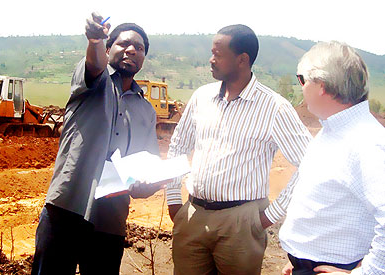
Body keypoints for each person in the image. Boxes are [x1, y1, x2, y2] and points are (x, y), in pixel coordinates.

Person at [166, 24, 312, 274]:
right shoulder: (202, 97)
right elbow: (178, 145)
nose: (211, 60)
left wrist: (270, 215)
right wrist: (172, 199)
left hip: (241, 224)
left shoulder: (274, 107)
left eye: (218, 54)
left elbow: (310, 164)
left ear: (242, 59)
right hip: (193, 215)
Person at [31, 12, 165, 275]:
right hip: (68, 207)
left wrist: (148, 184)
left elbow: (148, 164)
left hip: (111, 219)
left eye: (139, 48)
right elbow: (94, 64)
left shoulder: (146, 111)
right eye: (123, 43)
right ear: (107, 48)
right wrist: (93, 40)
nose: (131, 50)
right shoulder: (93, 82)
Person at [279, 41, 385, 275]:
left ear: (322, 86)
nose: (301, 88)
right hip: (309, 265)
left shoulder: (367, 143)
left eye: (302, 80)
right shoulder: (333, 130)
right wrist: (299, 258)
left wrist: (367, 273)